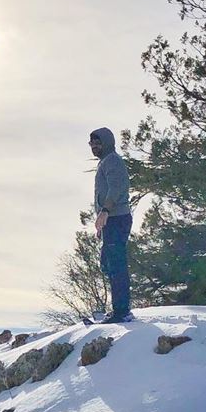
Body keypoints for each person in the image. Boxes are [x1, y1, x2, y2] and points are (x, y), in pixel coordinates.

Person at [89, 127, 133, 324]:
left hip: (117, 218)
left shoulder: (113, 161)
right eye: (92, 144)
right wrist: (101, 222)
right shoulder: (105, 162)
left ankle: (121, 311)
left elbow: (116, 188)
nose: (94, 147)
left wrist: (105, 211)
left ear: (106, 143)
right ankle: (118, 309)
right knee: (108, 264)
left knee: (116, 265)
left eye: (97, 143)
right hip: (110, 221)